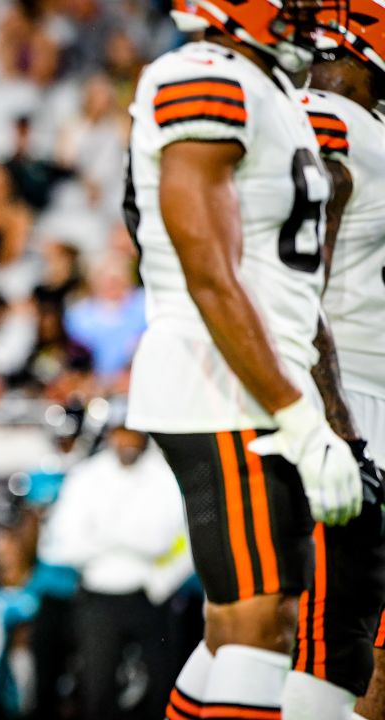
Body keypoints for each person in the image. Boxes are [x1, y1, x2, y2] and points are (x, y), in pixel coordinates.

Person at [125, 0, 364, 716]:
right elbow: (206, 268)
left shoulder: (271, 90)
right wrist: (297, 414)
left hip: (248, 376)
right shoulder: (203, 73)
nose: (306, 15)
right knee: (264, 624)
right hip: (223, 381)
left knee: (242, 627)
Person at [284, 9, 385, 718]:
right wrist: (332, 416)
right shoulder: (331, 119)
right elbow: (299, 279)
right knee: (321, 637)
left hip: (363, 393)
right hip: (345, 395)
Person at [38, 423, 189, 719]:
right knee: (97, 685)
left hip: (151, 594)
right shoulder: (85, 477)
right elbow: (63, 545)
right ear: (109, 436)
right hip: (98, 596)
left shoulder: (166, 478)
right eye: (120, 433)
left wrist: (107, 534)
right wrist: (138, 539)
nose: (127, 442)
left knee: (161, 683)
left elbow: (175, 542)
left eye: (134, 434)